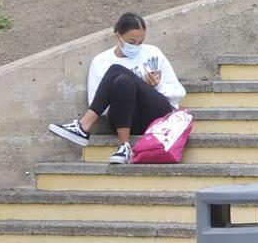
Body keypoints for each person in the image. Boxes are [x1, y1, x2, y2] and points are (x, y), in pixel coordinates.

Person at [47, 12, 187, 165]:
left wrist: (157, 85)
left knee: (116, 70)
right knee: (123, 82)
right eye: (132, 42)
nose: (137, 47)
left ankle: (83, 126)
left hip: (156, 117)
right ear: (118, 36)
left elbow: (178, 93)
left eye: (141, 42)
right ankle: (124, 146)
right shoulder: (100, 61)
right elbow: (98, 104)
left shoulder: (153, 52)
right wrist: (124, 96)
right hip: (124, 121)